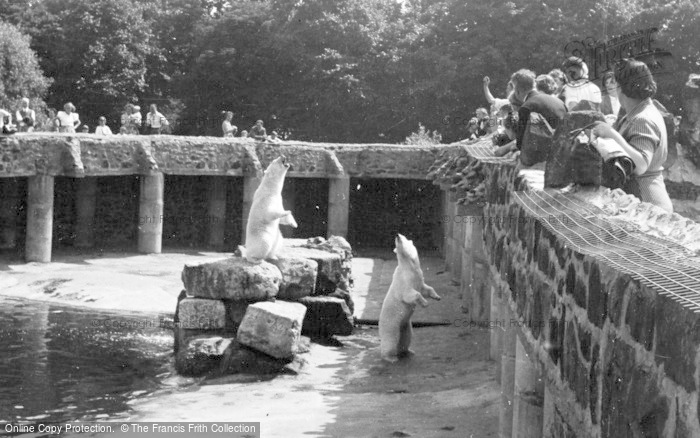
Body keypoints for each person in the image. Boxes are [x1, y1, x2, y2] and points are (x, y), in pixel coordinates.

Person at [591, 58, 673, 212]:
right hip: (646, 198)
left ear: (621, 88)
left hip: (647, 204)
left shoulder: (642, 119)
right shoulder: (641, 110)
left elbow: (641, 164)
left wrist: (612, 134)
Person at [511, 69, 567, 151]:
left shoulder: (526, 107)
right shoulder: (560, 102)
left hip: (541, 157)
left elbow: (520, 144)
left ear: (517, 90)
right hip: (562, 152)